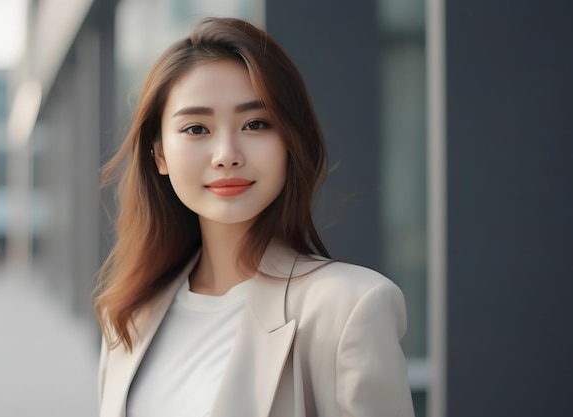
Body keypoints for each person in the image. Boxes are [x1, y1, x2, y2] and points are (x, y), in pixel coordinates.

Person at [95, 17, 414, 417]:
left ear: (290, 143)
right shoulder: (127, 315)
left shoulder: (349, 309)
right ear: (159, 154)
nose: (226, 153)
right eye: (196, 128)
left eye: (255, 124)